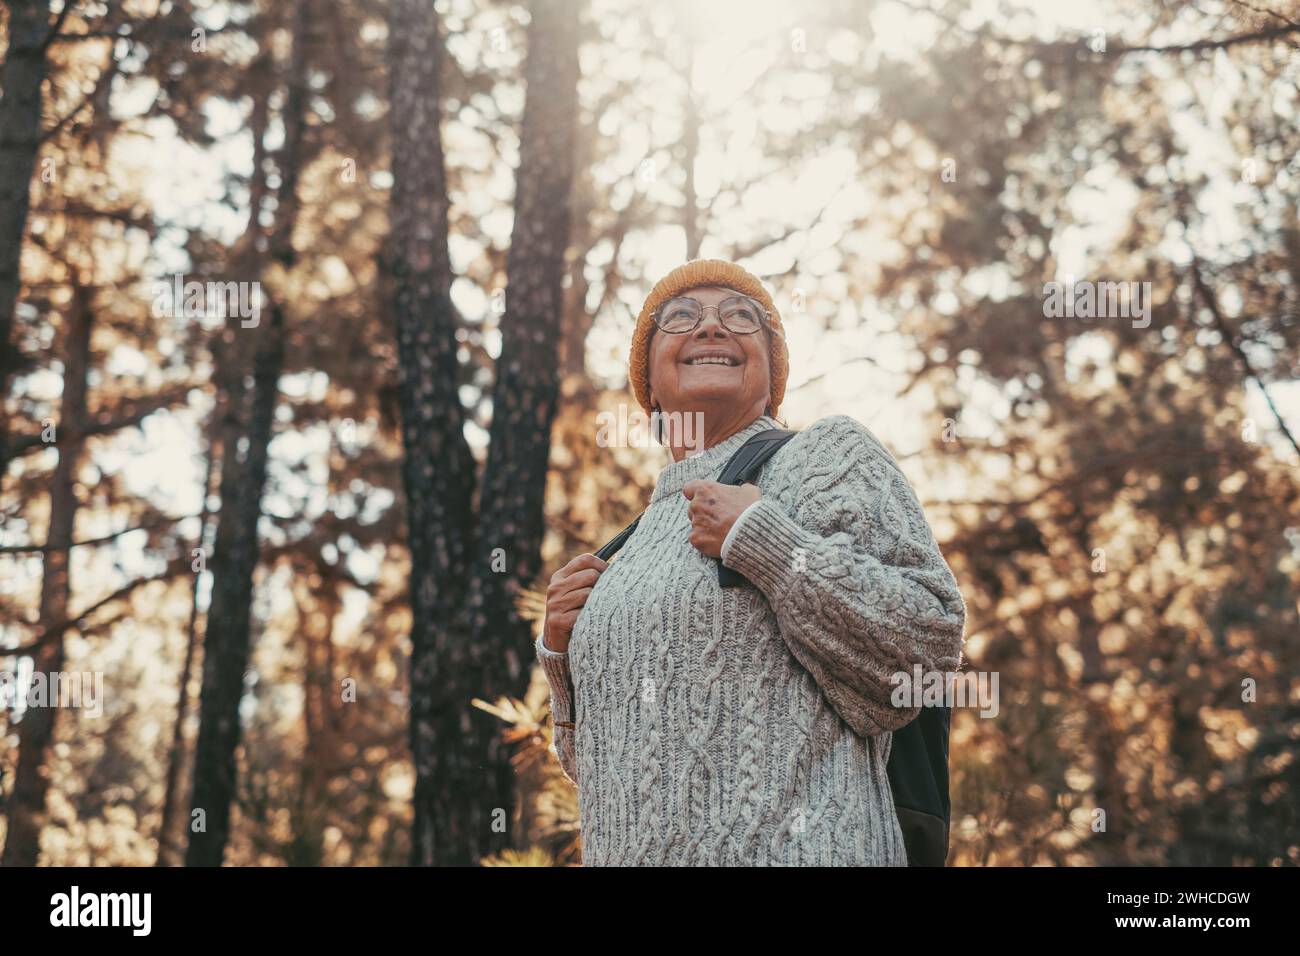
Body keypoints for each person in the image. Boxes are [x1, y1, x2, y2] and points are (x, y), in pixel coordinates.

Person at [536, 258, 966, 865]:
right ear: (649, 385)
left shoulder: (825, 455)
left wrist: (764, 542)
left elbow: (926, 644)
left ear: (772, 374)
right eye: (680, 317)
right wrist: (560, 657)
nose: (710, 328)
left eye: (741, 317)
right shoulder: (623, 553)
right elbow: (606, 776)